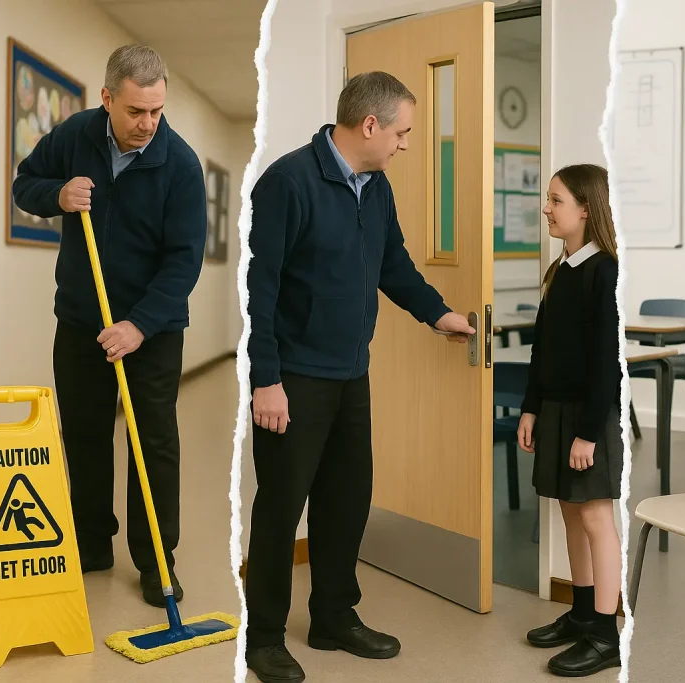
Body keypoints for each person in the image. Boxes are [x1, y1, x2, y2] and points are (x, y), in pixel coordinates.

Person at [242, 71, 476, 683]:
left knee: (346, 501)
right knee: (280, 507)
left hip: (351, 373)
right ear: (369, 125)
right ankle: (263, 635)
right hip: (292, 377)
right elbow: (258, 290)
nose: (404, 144)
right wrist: (265, 379)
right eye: (401, 132)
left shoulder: (375, 187)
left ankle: (333, 617)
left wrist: (438, 312)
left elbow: (392, 264)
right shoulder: (288, 181)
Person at [12, 44, 206, 607]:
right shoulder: (74, 136)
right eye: (135, 112)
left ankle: (155, 562)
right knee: (85, 433)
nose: (147, 124)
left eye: (156, 111)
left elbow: (183, 261)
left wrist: (138, 326)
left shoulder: (181, 164)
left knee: (151, 443)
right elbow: (25, 181)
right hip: (80, 320)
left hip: (154, 328)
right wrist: (57, 195)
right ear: (106, 99)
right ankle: (92, 542)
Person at [517, 164, 623, 678]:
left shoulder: (606, 272)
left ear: (586, 208)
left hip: (589, 416)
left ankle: (606, 633)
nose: (547, 208)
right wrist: (532, 407)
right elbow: (544, 351)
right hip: (556, 410)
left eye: (556, 200)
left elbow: (606, 362)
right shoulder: (561, 268)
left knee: (596, 517)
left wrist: (586, 432)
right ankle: (582, 613)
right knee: (569, 511)